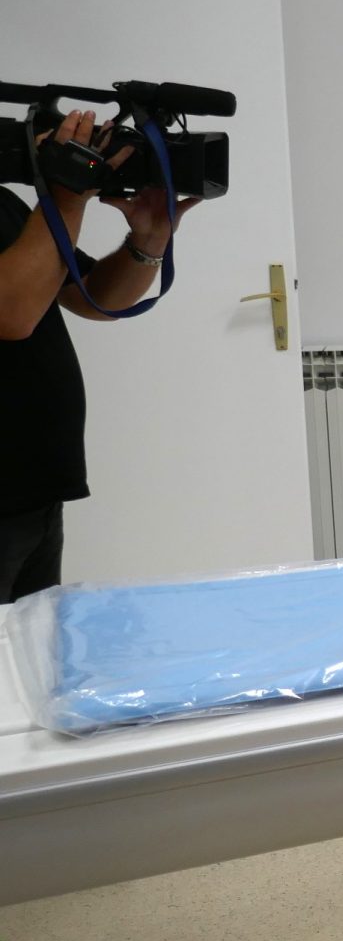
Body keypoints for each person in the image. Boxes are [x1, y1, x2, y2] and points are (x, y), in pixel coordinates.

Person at [0, 107, 197, 601]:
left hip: (34, 495)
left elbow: (94, 296)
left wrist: (149, 238)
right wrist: (67, 195)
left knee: (33, 644)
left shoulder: (2, 204)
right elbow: (12, 314)